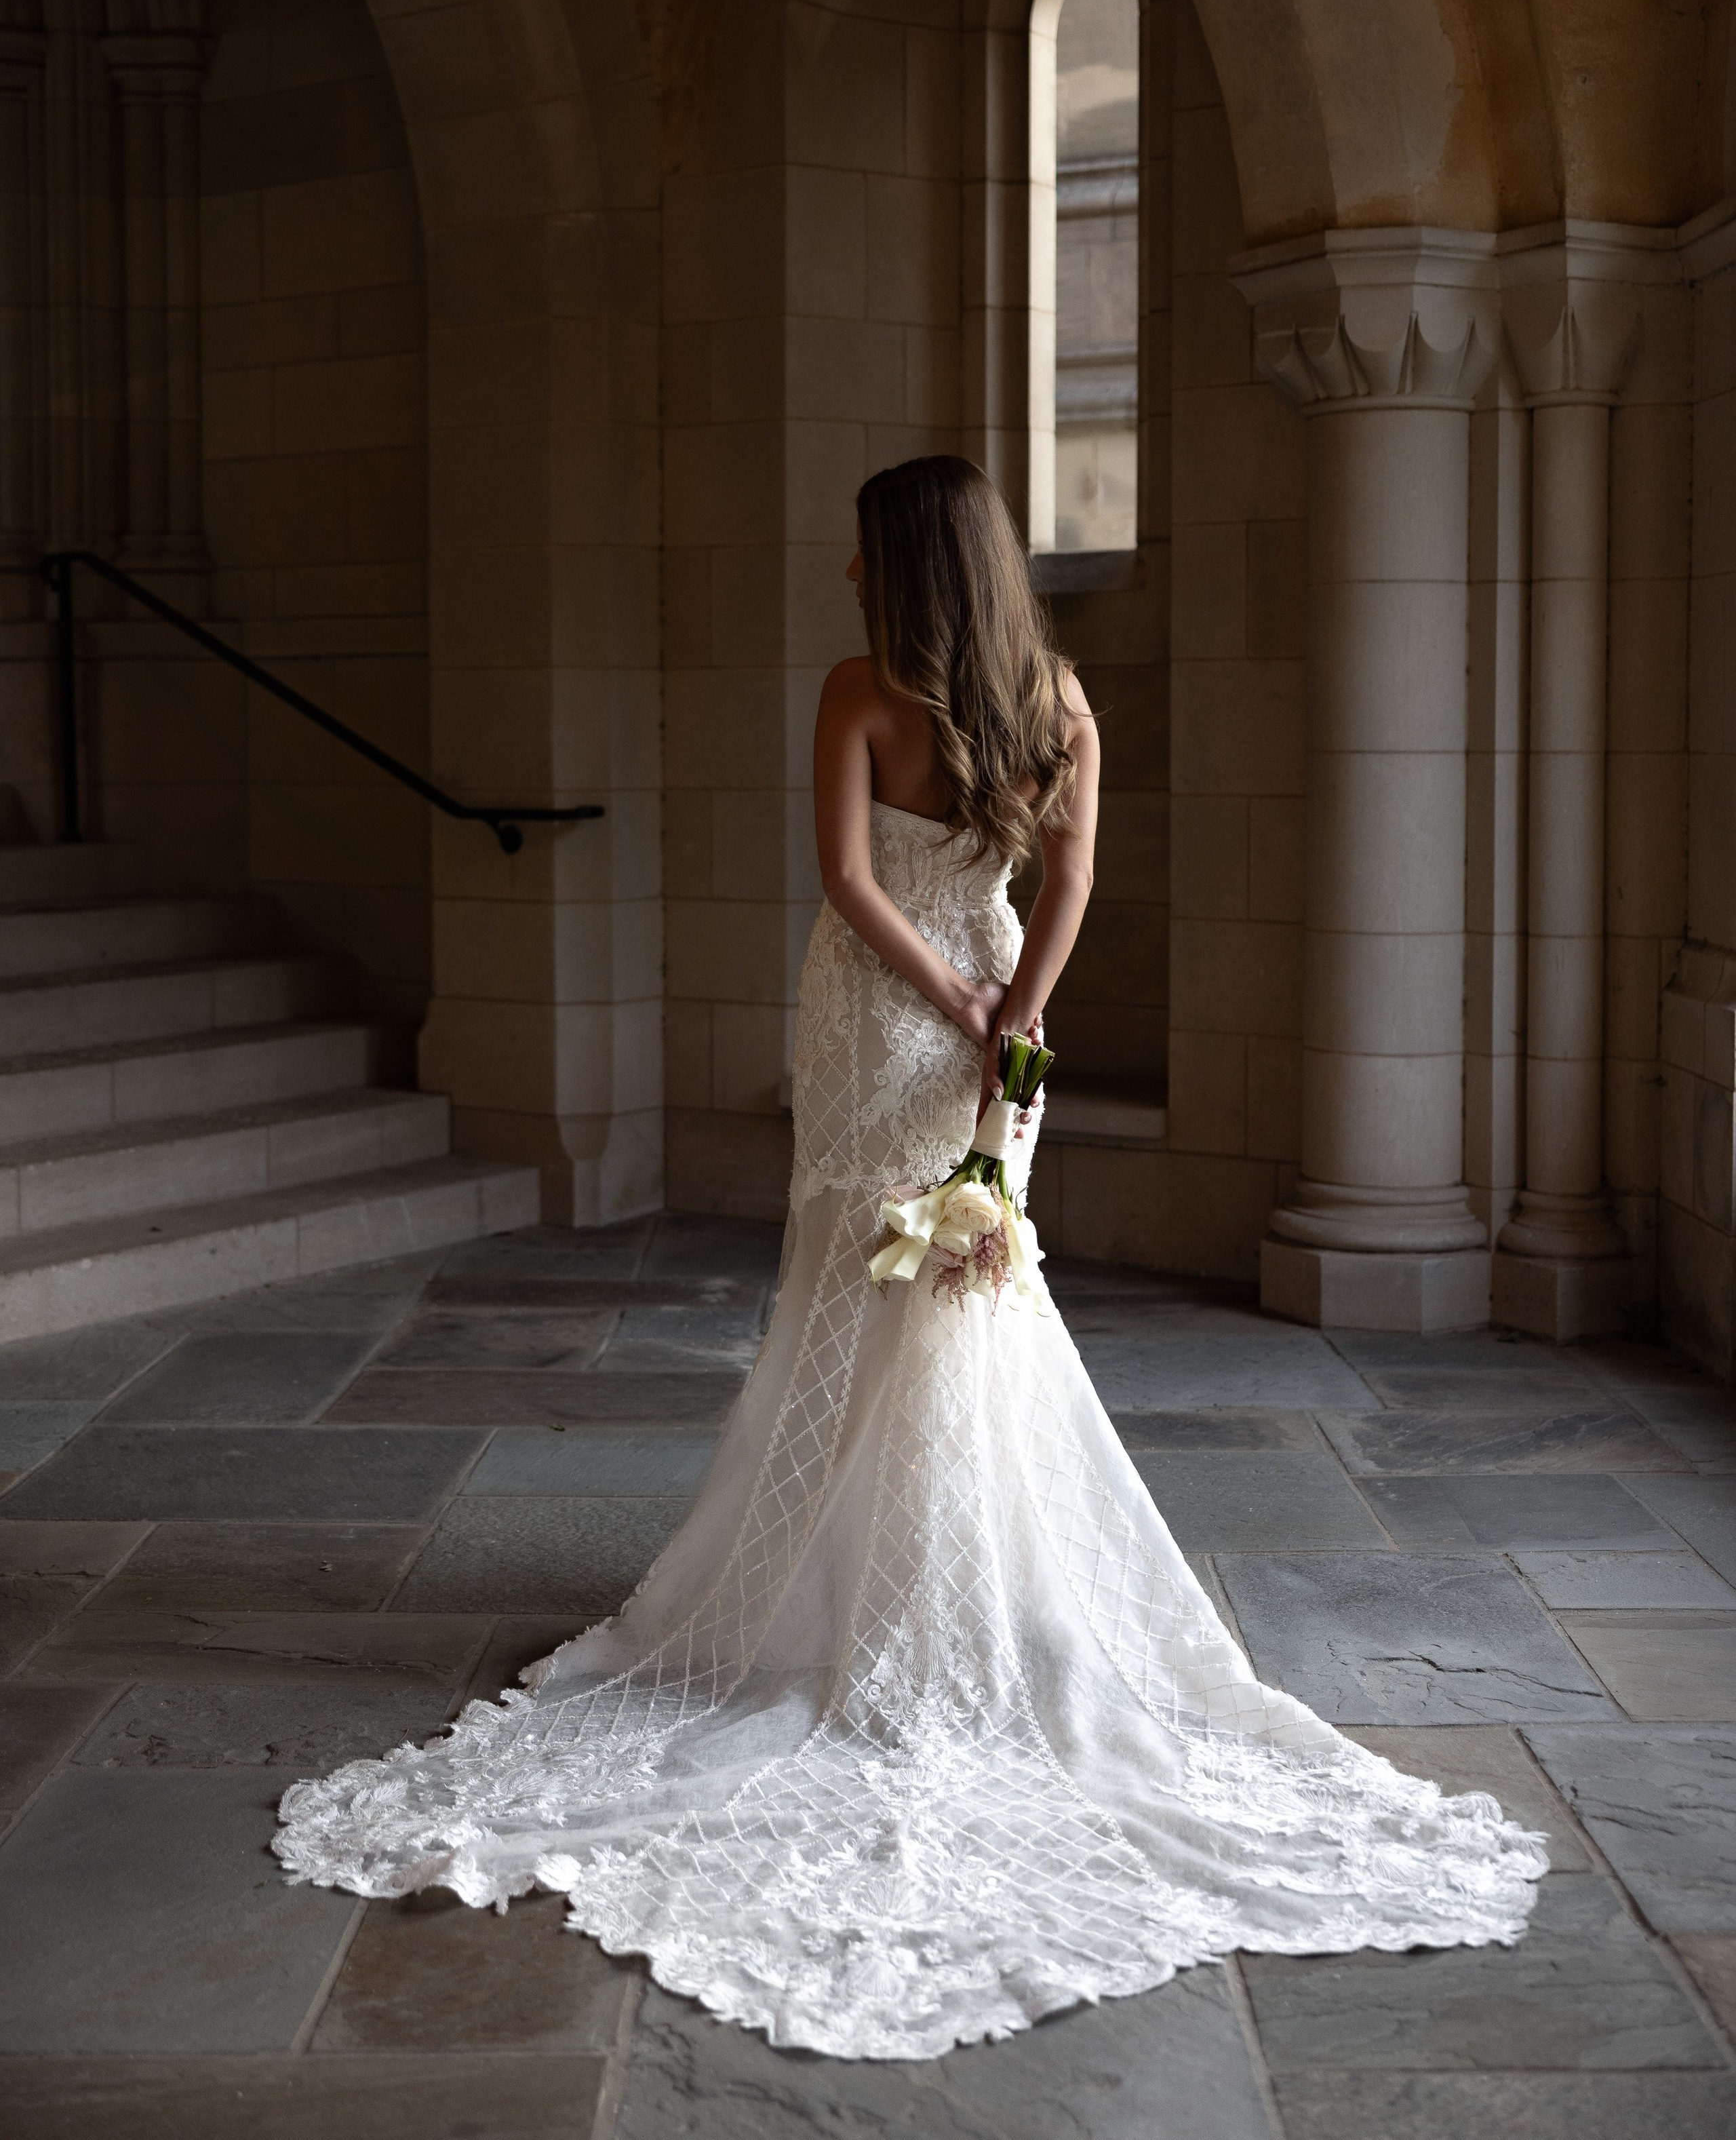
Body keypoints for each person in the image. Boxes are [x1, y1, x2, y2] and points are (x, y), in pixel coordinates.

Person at [275, 454, 1544, 2059]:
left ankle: (867, 1582)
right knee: (972, 1276)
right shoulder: (1059, 696)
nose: (847, 571)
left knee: (859, 1272)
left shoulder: (857, 691)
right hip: (1000, 999)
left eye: (863, 550)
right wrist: (1014, 1002)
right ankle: (939, 1581)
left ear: (901, 561)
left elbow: (845, 881)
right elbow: (1070, 878)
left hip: (883, 1013)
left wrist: (943, 1004)